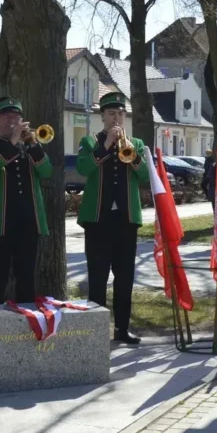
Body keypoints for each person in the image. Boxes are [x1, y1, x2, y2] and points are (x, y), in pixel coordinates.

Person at [77, 92, 149, 344]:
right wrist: (106, 145)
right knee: (97, 276)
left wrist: (132, 154)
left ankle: (122, 328)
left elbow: (146, 178)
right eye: (111, 114)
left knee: (125, 276)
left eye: (120, 114)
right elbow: (84, 168)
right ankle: (97, 332)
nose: (116, 118)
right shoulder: (89, 141)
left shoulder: (136, 144)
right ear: (102, 117)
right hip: (97, 219)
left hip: (126, 220)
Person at [0, 97, 52, 305]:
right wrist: (12, 142)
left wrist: (34, 144)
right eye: (6, 117)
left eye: (16, 117)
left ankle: (25, 325)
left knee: (26, 279)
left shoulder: (30, 147)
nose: (11, 121)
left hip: (28, 224)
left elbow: (47, 171)